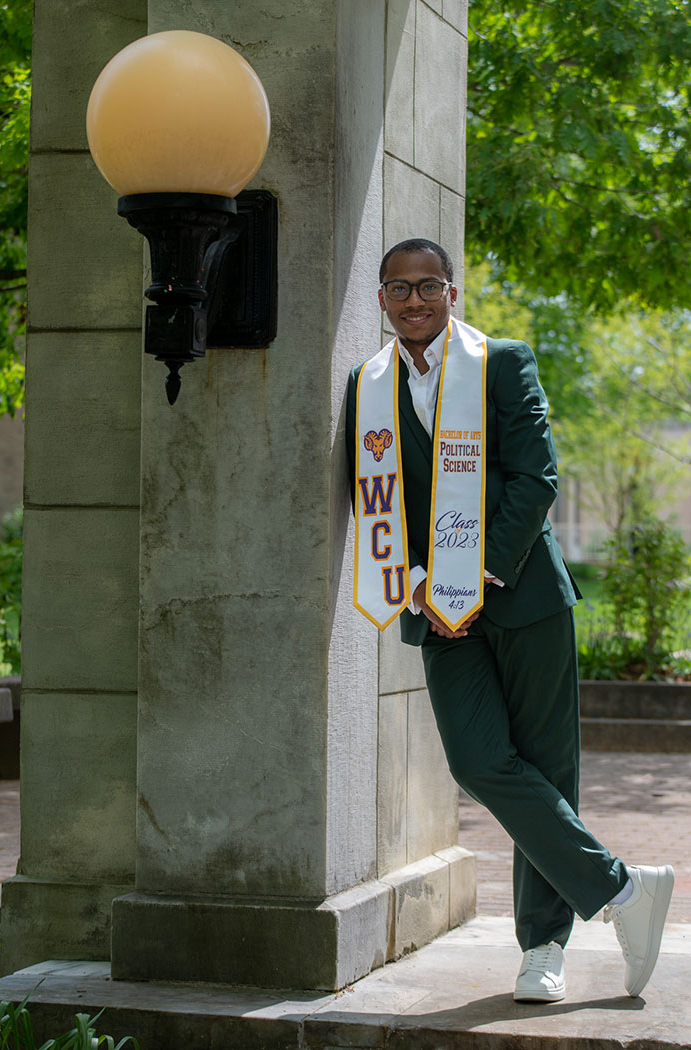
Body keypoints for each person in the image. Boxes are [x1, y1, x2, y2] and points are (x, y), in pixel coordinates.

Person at [345, 237, 674, 1002]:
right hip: (432, 605)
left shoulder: (502, 362)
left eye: (429, 286)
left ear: (452, 294)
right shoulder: (367, 385)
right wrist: (425, 584)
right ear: (382, 300)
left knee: (545, 764)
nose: (415, 300)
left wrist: (477, 577)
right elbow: (373, 500)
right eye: (399, 288)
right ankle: (624, 890)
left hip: (521, 596)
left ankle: (542, 948)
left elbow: (537, 477)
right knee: (478, 759)